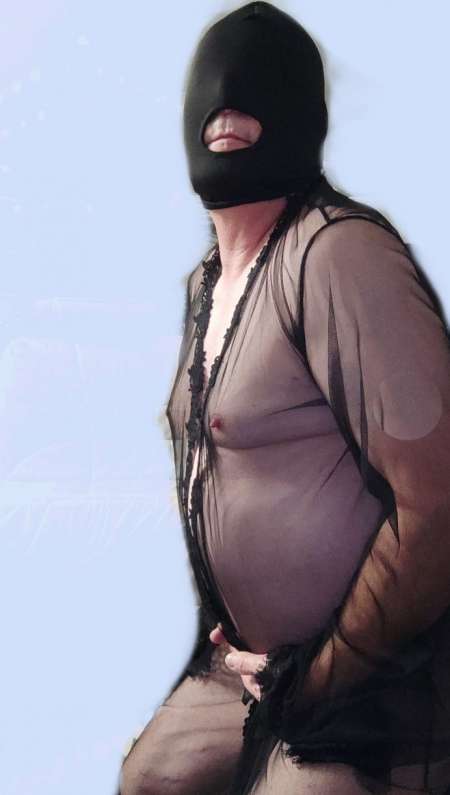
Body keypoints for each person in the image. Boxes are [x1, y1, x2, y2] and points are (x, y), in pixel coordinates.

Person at [118, 2, 450, 793]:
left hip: (368, 682)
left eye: (258, 86)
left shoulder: (339, 255)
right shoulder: (205, 284)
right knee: (150, 779)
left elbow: (437, 498)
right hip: (246, 668)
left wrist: (327, 671)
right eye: (214, 89)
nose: (229, 99)